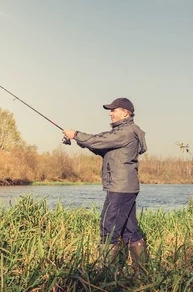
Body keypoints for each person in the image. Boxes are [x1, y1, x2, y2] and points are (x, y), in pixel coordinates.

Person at [63, 97, 148, 272]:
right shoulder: (124, 133)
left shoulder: (125, 132)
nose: (110, 113)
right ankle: (143, 273)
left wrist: (76, 134)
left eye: (113, 110)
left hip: (120, 187)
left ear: (125, 112)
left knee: (108, 226)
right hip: (125, 187)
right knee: (130, 230)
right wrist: (81, 141)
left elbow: (97, 140)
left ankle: (105, 274)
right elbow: (99, 146)